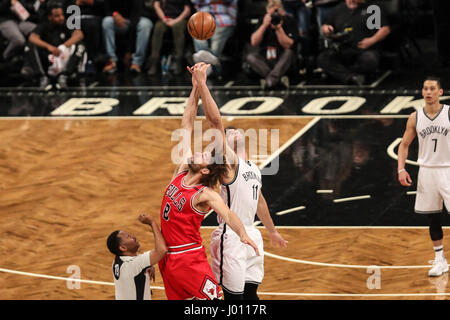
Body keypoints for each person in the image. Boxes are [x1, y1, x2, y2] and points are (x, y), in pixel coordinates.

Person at [158, 63, 259, 300]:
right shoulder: (181, 173)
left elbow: (228, 214)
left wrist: (243, 234)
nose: (197, 152)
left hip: (188, 258)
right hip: (168, 258)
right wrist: (194, 88)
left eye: (203, 154)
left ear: (205, 169)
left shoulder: (204, 194)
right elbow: (187, 124)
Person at [191, 62, 288, 299]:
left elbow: (260, 203)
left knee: (251, 293)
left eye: (236, 131)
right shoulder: (229, 164)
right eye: (229, 133)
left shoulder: (253, 168)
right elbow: (215, 122)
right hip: (231, 237)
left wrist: (272, 231)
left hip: (251, 233)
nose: (234, 132)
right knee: (234, 298)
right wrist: (203, 85)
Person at [398, 76, 450, 277]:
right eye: (425, 88)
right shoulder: (415, 117)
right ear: (422, 92)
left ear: (440, 92)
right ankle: (440, 260)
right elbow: (404, 145)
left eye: (432, 89)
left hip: (448, 169)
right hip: (427, 171)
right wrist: (401, 169)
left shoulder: (449, 113)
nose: (428, 92)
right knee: (433, 218)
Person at [317, 0, 390, 86]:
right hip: (343, 49)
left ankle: (341, 75)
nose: (352, 2)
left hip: (364, 49)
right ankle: (351, 77)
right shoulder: (338, 9)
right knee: (322, 59)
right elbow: (325, 26)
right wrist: (326, 29)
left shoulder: (372, 8)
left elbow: (385, 29)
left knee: (370, 60)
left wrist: (371, 40)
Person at [26, 0, 85, 90]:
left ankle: (64, 76)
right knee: (30, 46)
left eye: (62, 15)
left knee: (80, 45)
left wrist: (65, 45)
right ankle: (42, 77)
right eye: (57, 16)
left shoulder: (65, 24)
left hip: (63, 58)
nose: (61, 18)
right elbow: (32, 38)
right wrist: (49, 47)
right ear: (50, 17)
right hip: (49, 59)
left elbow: (79, 34)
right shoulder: (44, 26)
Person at [106, 214, 167, 300]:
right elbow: (161, 250)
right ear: (123, 248)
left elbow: (134, 268)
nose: (133, 237)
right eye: (128, 237)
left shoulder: (117, 261)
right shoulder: (134, 264)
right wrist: (152, 223)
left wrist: (146, 267)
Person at [246, 0, 298, 89]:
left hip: (282, 61)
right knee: (250, 57)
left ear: (282, 12)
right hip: (266, 60)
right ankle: (277, 79)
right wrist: (264, 26)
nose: (275, 16)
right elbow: (254, 42)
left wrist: (279, 29)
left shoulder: (289, 20)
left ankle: (270, 81)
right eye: (272, 14)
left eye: (277, 13)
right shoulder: (263, 20)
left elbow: (288, 45)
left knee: (289, 53)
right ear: (267, 11)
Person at [102, 0, 153, 73]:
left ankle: (137, 63)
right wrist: (114, 13)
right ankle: (111, 61)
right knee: (107, 22)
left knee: (145, 25)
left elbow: (134, 21)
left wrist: (128, 51)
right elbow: (106, 7)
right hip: (119, 21)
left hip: (137, 19)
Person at [190, 0, 237, 77]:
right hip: (202, 19)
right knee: (197, 31)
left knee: (216, 41)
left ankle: (205, 67)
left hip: (223, 19)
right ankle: (213, 63)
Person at [146, 0, 191, 76]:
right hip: (165, 18)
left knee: (178, 28)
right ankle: (154, 61)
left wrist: (175, 21)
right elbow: (156, 6)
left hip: (179, 18)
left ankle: (178, 60)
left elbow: (187, 10)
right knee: (158, 28)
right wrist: (164, 19)